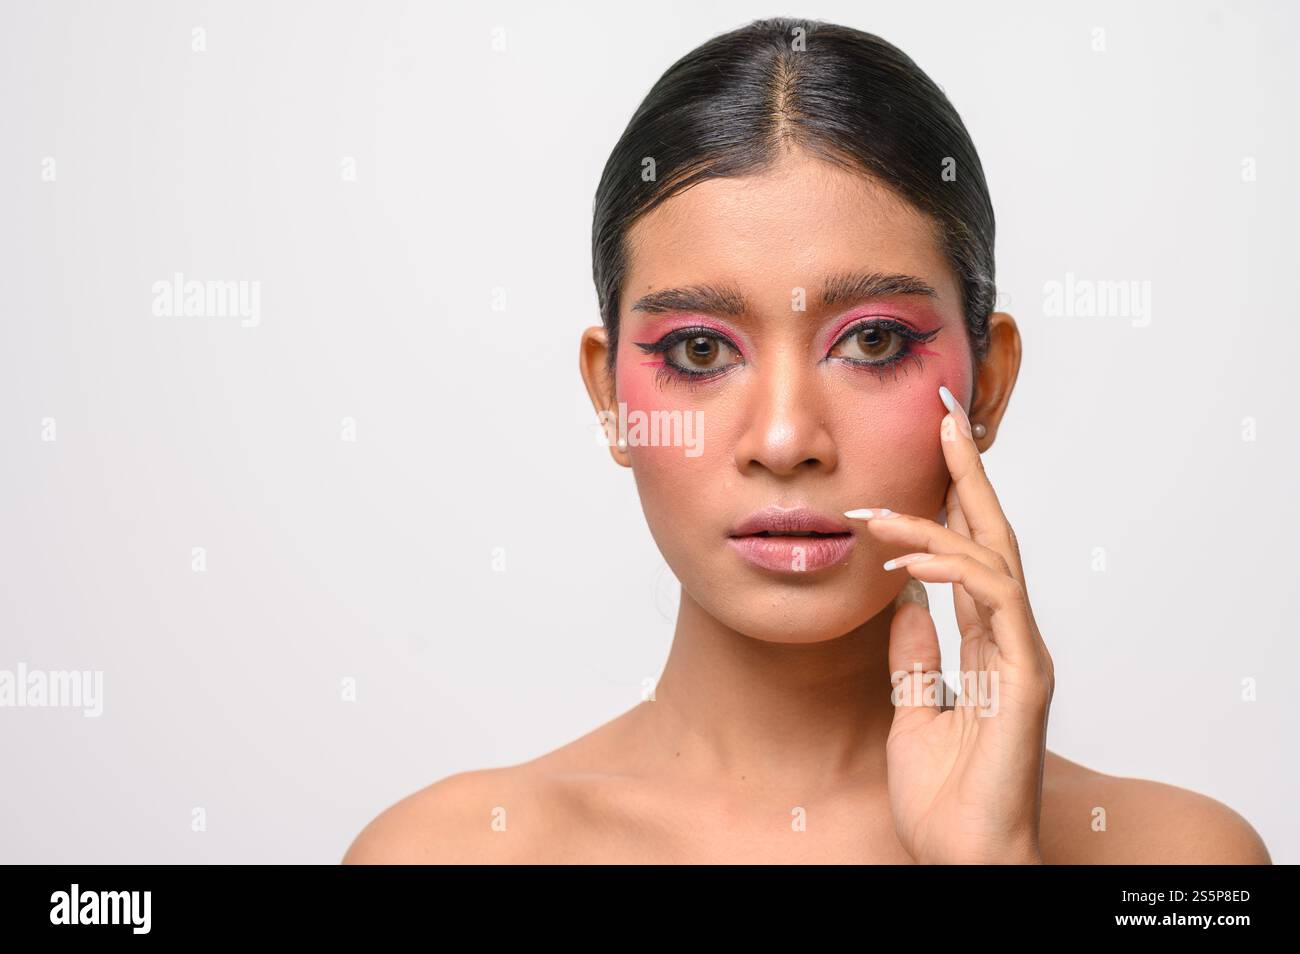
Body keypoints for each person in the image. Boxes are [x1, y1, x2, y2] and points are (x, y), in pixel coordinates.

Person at [344, 17, 1271, 864]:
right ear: (608, 394)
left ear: (987, 382)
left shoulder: (1184, 864)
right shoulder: (444, 853)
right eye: (700, 349)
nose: (786, 440)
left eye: (871, 342)